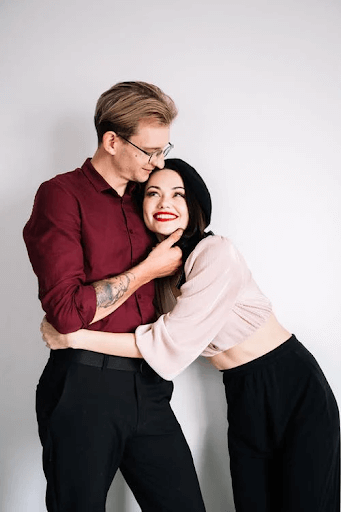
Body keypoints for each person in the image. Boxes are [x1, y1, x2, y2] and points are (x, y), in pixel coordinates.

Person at [42, 158, 340, 512]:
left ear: (194, 205)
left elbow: (169, 343)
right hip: (242, 390)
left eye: (177, 194)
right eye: (153, 193)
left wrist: (73, 337)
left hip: (290, 385)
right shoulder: (161, 270)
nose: (164, 203)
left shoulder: (216, 253)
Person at [23, 85, 206, 512]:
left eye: (164, 149)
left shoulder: (149, 198)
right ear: (111, 141)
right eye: (149, 151)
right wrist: (145, 272)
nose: (158, 162)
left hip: (150, 384)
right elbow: (67, 314)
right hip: (84, 387)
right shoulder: (61, 195)